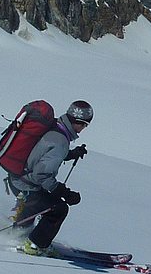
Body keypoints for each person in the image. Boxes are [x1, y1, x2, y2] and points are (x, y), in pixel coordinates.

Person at [7, 100, 93, 254]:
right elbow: (42, 175)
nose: (83, 129)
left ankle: (18, 235)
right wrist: (64, 193)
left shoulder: (54, 127)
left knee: (35, 204)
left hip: (17, 178)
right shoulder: (60, 141)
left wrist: (71, 154)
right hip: (27, 184)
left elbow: (43, 152)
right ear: (79, 123)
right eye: (85, 125)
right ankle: (36, 245)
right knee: (58, 209)